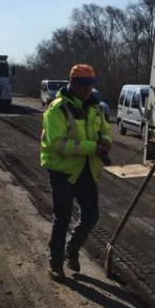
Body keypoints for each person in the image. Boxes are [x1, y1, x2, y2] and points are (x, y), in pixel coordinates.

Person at [40, 64, 112, 280]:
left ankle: (71, 250)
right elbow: (58, 144)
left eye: (90, 84)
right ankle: (56, 263)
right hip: (62, 172)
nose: (87, 88)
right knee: (62, 219)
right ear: (71, 82)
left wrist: (106, 142)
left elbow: (105, 130)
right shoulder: (57, 109)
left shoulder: (95, 107)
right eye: (82, 84)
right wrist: (93, 147)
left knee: (91, 217)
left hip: (87, 171)